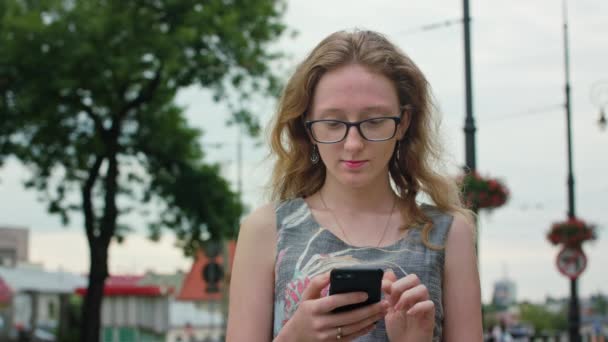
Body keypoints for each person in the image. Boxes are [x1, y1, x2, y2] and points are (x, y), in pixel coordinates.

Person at [226, 29, 482, 341]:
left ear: (402, 123)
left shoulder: (449, 234)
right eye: (333, 123)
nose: (353, 143)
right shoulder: (266, 229)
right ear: (307, 128)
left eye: (373, 122)